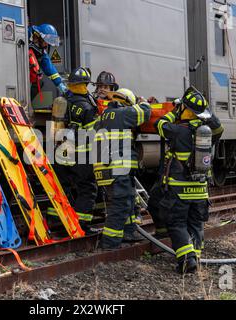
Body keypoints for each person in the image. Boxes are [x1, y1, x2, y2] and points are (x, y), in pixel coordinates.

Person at [155, 87, 224, 274]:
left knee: (176, 223)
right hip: (201, 188)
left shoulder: (177, 130)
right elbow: (219, 127)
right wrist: (205, 113)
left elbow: (159, 124)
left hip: (179, 189)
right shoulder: (209, 132)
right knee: (196, 224)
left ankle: (187, 260)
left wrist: (174, 112)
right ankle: (196, 257)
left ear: (185, 109)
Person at [94, 88, 151, 250]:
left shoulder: (102, 117)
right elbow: (145, 112)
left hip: (104, 169)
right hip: (117, 169)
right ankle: (109, 243)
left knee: (128, 200)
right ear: (126, 103)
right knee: (120, 204)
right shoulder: (123, 114)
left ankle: (128, 232)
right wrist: (144, 102)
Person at [53, 67, 98, 231]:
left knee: (62, 185)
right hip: (81, 154)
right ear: (85, 84)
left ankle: (58, 219)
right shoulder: (88, 107)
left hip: (60, 150)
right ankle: (80, 223)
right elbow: (93, 135)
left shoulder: (61, 101)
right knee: (87, 186)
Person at [29, 24, 68, 101]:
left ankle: (28, 102)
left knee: (38, 82)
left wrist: (60, 84)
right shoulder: (27, 34)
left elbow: (49, 68)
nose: (47, 44)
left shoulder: (41, 50)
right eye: (46, 41)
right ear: (39, 37)